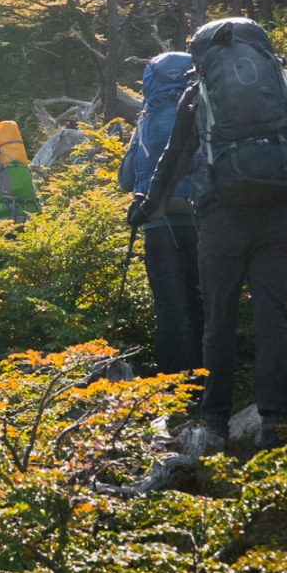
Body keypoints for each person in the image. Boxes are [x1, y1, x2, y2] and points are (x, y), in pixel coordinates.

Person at [136, 18, 287, 450]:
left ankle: (216, 424)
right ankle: (274, 423)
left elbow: (172, 160)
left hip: (222, 221)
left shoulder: (198, 93)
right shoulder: (283, 86)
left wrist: (146, 207)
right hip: (279, 217)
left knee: (218, 321)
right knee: (271, 320)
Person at [118, 52, 202, 374]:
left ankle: (171, 387)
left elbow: (125, 179)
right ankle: (206, 382)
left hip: (157, 223)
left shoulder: (148, 117)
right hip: (201, 220)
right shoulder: (202, 108)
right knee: (202, 302)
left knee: (168, 308)